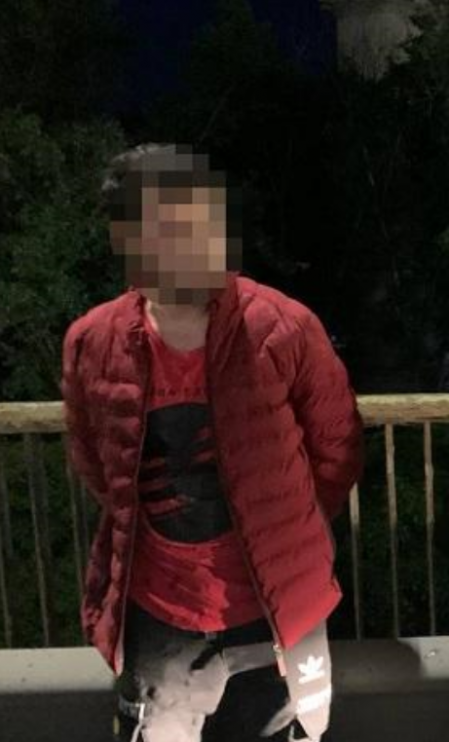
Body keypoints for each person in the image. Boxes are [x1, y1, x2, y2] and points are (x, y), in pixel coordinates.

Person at [61, 143, 363, 742]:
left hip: (282, 608)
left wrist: (286, 527)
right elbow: (95, 461)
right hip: (159, 615)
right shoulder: (92, 341)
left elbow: (338, 448)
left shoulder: (283, 327)